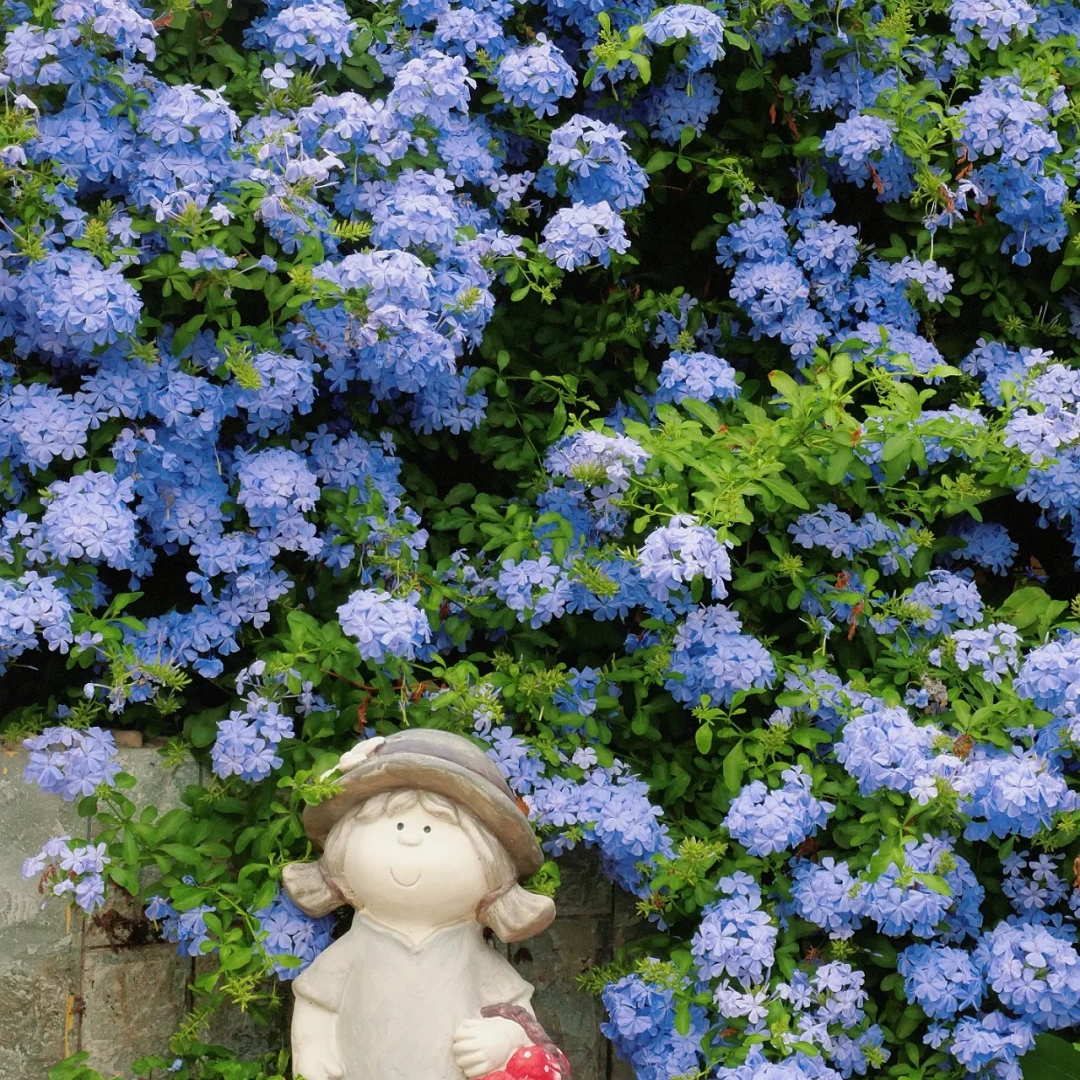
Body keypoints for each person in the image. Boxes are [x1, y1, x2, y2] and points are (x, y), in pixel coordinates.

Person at [282, 729, 568, 1080]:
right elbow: (316, 1002)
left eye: (434, 828)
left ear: (492, 862)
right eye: (396, 823)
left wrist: (503, 1038)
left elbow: (520, 1016)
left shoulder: (469, 954)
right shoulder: (358, 948)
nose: (410, 837)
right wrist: (313, 1049)